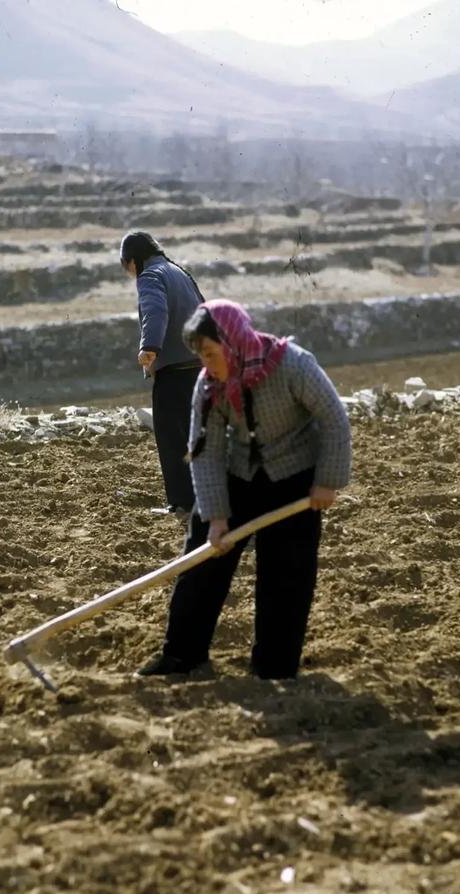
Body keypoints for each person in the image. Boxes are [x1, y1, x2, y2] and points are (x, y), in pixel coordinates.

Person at [137, 298, 352, 679]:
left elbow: (333, 418)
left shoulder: (293, 364)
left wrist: (327, 482)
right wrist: (216, 517)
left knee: (286, 573)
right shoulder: (208, 386)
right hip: (238, 478)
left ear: (233, 340)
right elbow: (205, 452)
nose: (206, 363)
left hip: (295, 479)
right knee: (202, 562)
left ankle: (274, 666)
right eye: (200, 355)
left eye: (209, 352)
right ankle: (182, 655)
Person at [120, 231, 204, 518]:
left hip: (174, 372)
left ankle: (182, 504)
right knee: (198, 437)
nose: (130, 273)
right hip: (200, 367)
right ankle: (206, 499)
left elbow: (154, 312)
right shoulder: (180, 272)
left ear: (133, 261)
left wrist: (149, 347)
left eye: (126, 266)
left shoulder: (150, 275)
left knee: (172, 439)